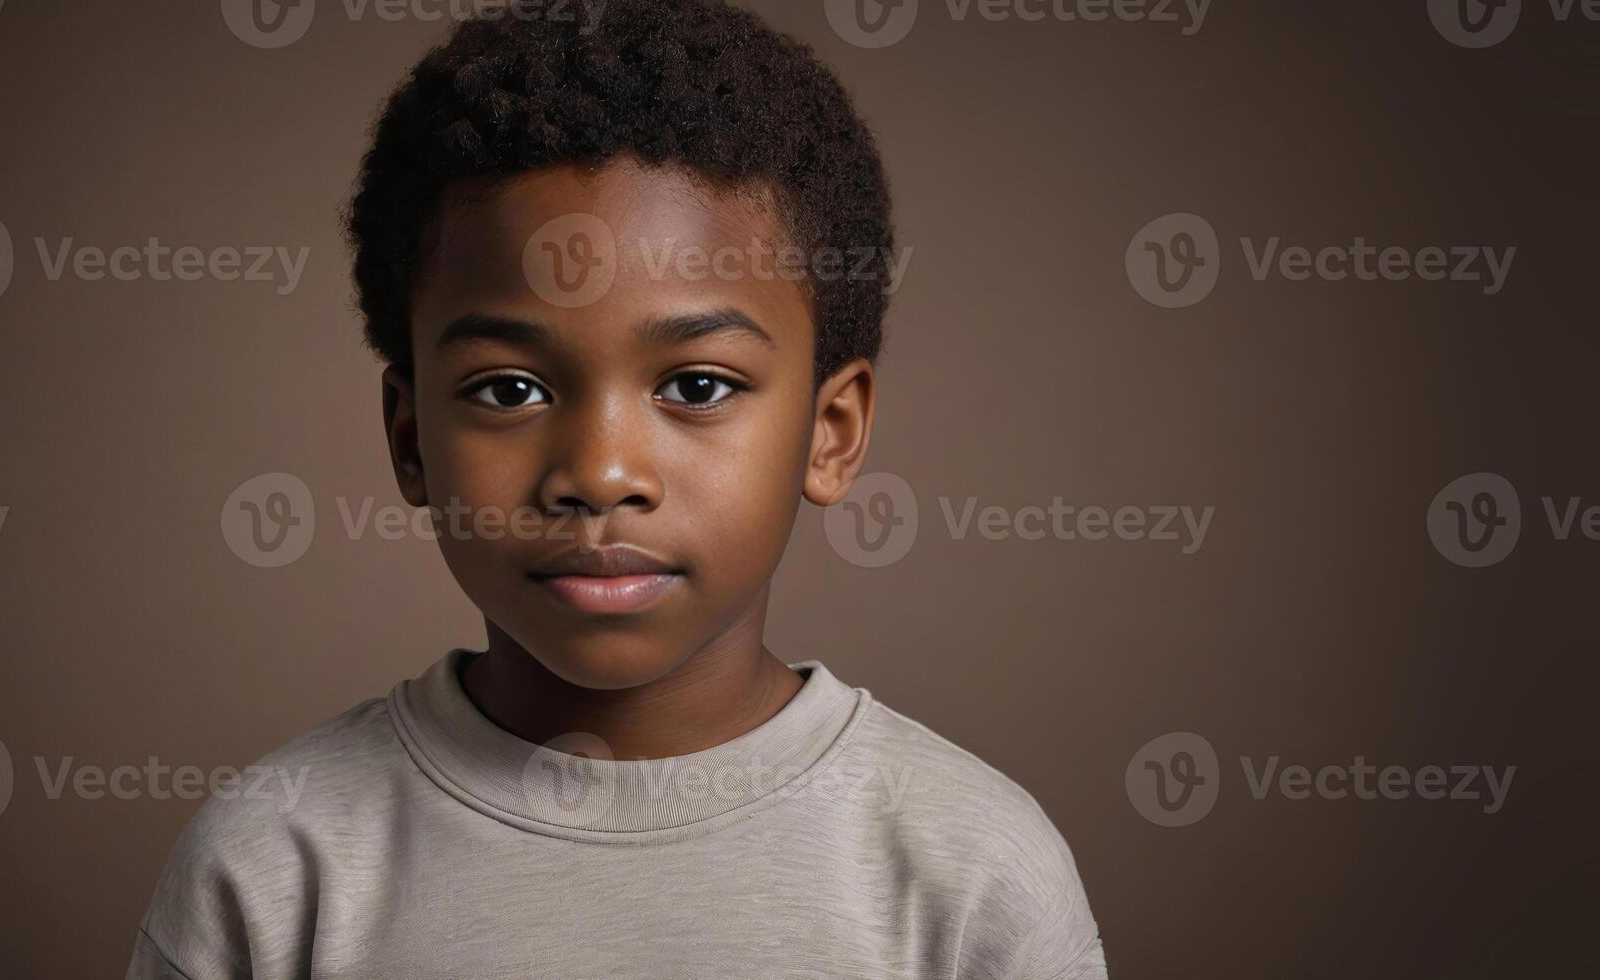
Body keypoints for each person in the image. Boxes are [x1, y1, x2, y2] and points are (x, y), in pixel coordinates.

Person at [126, 2, 1105, 976]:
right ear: (410, 436)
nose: (598, 473)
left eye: (697, 385)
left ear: (829, 431)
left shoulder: (971, 869)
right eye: (510, 389)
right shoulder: (273, 861)